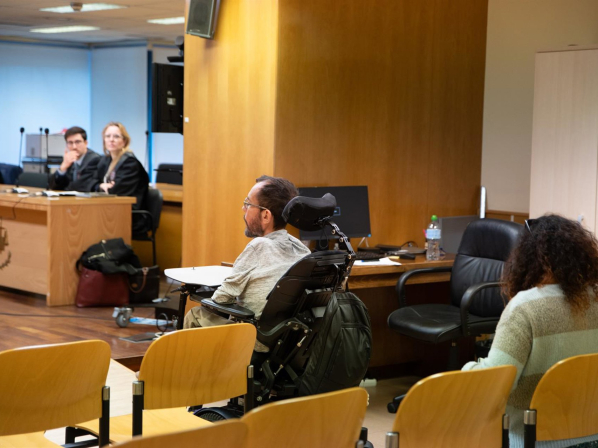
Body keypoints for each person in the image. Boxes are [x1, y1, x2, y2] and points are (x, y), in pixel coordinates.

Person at [462, 214, 598, 448]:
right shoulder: (595, 299)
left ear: (530, 258)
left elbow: (493, 385)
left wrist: (466, 370)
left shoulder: (524, 307)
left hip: (533, 440)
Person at [183, 175, 311, 352]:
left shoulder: (259, 246)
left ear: (265, 215)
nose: (243, 208)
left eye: (248, 203)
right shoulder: (301, 249)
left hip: (256, 339)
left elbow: (221, 298)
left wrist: (205, 299)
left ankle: (188, 370)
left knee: (196, 315)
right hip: (288, 341)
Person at [92, 122, 149, 234]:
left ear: (124, 141)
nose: (111, 140)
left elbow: (116, 192)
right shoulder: (105, 160)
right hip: (110, 210)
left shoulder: (130, 163)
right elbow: (91, 182)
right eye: (108, 136)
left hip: (129, 214)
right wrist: (101, 186)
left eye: (116, 136)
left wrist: (100, 188)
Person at [49, 126, 100, 192]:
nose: (74, 147)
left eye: (77, 142)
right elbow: (52, 186)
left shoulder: (94, 159)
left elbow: (81, 186)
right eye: (70, 143)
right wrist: (63, 167)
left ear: (86, 143)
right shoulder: (68, 159)